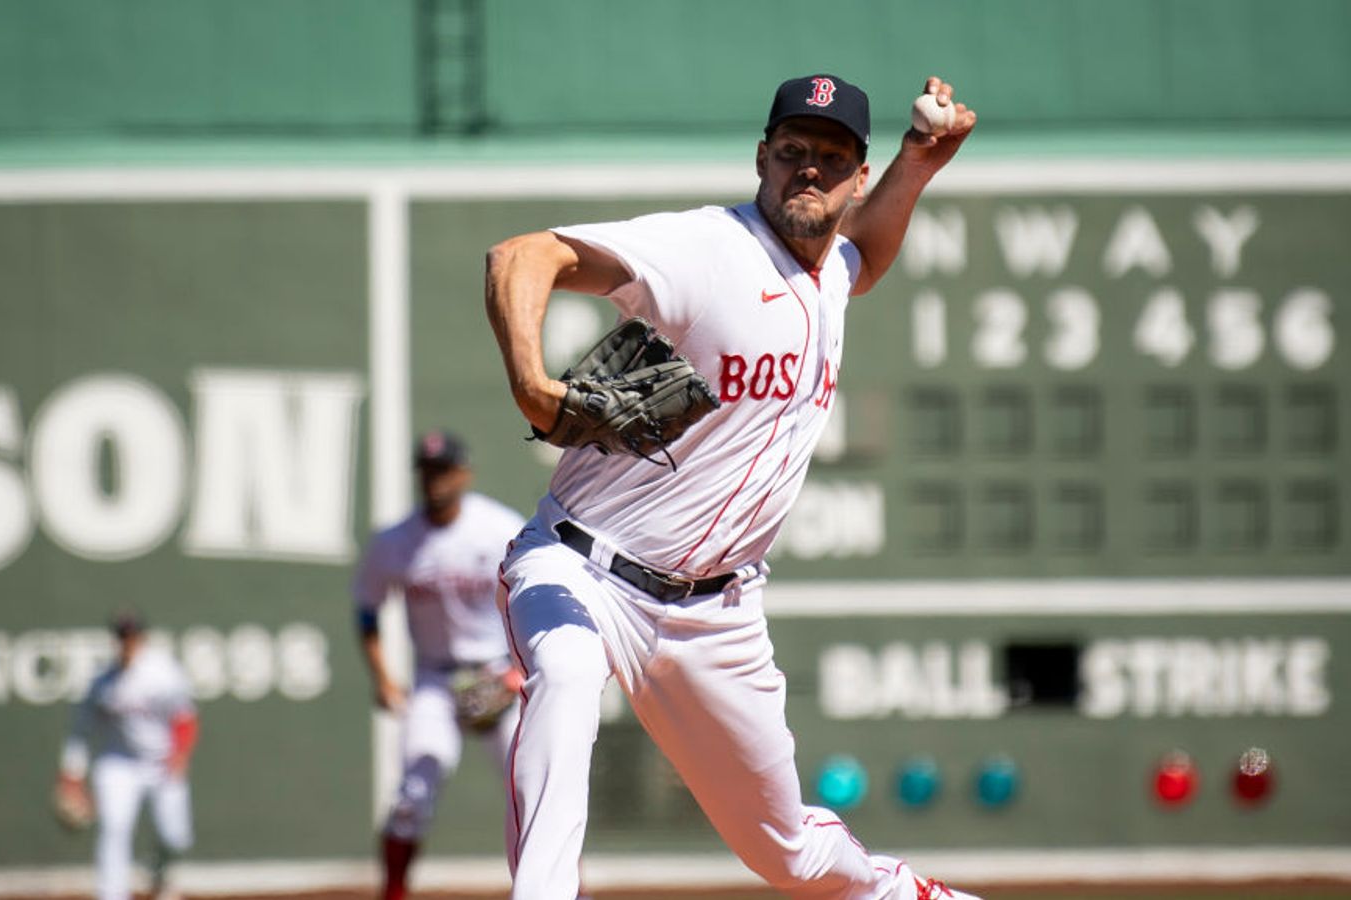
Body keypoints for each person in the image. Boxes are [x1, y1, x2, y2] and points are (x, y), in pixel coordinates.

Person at [482, 73, 981, 900]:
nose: (808, 171)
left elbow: (869, 253)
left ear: (856, 177)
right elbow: (523, 256)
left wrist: (919, 162)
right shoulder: (706, 250)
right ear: (761, 157)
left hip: (715, 617)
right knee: (566, 671)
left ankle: (906, 894)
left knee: (785, 850)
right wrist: (532, 384)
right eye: (791, 152)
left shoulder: (829, 273)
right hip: (582, 565)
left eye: (831, 158)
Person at [354, 430, 529, 900]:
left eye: (443, 470)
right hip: (435, 676)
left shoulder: (497, 528)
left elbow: (534, 597)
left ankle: (568, 891)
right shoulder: (395, 542)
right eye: (427, 471)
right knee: (412, 792)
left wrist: (519, 670)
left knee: (536, 791)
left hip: (498, 673)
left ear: (464, 474)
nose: (434, 480)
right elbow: (367, 609)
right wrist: (385, 680)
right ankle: (393, 892)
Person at [58, 611, 199, 900]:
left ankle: (160, 875)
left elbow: (186, 717)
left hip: (161, 761)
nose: (127, 642)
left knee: (175, 836)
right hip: (118, 763)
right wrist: (72, 775)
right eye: (122, 636)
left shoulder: (163, 673)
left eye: (132, 636)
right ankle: (111, 894)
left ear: (142, 638)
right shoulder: (103, 683)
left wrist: (181, 754)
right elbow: (80, 732)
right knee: (114, 828)